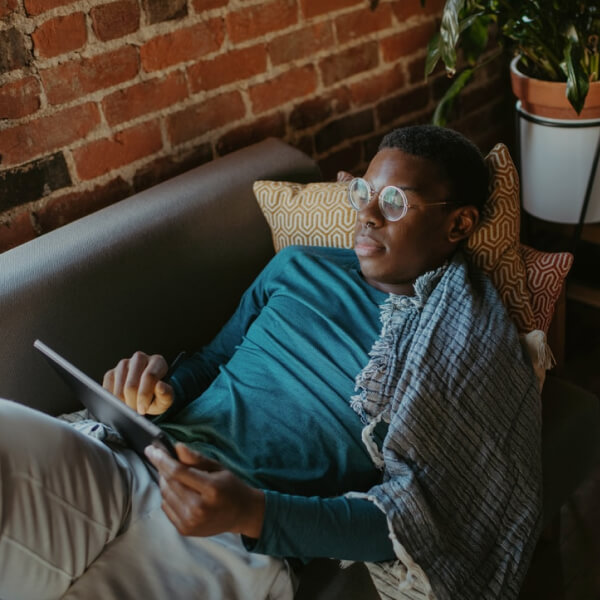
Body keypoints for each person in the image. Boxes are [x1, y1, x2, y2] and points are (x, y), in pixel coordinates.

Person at [0, 125, 542, 600]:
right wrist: (155, 389)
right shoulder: (296, 265)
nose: (367, 215)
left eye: (395, 202)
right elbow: (215, 358)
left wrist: (252, 513)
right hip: (135, 458)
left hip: (229, 538)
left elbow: (419, 519)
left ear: (459, 224)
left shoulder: (457, 342)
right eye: (362, 192)